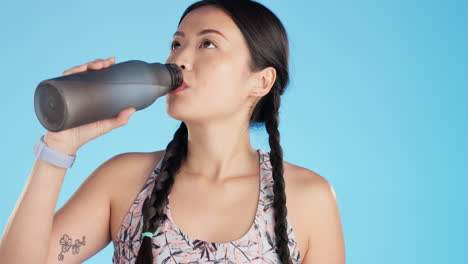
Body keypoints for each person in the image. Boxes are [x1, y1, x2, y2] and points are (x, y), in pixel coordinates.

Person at [0, 0, 345, 263]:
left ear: (261, 81)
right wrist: (58, 145)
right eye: (177, 43)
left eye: (207, 44)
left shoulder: (309, 197)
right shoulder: (125, 179)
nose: (177, 60)